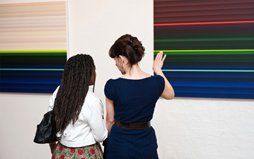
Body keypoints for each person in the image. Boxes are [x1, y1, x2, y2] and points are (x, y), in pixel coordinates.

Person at [104, 34, 175, 159]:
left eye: (115, 59)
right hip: (146, 142)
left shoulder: (112, 85)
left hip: (119, 143)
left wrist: (108, 140)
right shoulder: (156, 82)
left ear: (122, 59)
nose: (115, 64)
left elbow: (110, 120)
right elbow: (170, 94)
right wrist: (157, 69)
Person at [48, 54, 107, 159]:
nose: (95, 73)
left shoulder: (58, 92)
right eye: (94, 70)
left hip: (61, 152)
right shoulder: (92, 100)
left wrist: (54, 149)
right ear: (87, 74)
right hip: (87, 153)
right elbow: (100, 136)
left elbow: (51, 124)